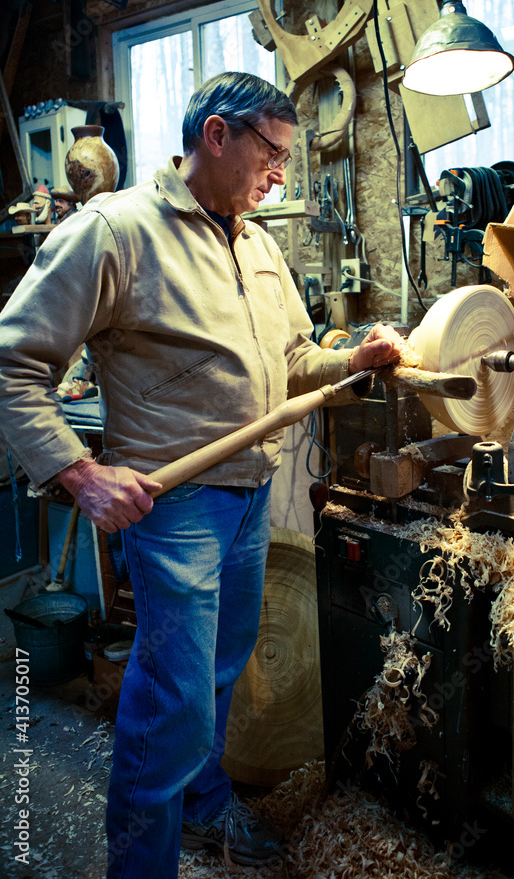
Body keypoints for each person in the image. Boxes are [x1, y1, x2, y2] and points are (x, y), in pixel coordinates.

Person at [0, 72, 403, 879]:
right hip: (174, 503)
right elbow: (13, 365)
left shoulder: (255, 242)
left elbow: (291, 360)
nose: (282, 173)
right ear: (216, 136)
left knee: (220, 670)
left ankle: (202, 805)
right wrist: (79, 474)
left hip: (250, 493)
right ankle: (140, 863)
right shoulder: (115, 231)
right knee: (172, 698)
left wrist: (348, 359)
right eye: (273, 153)